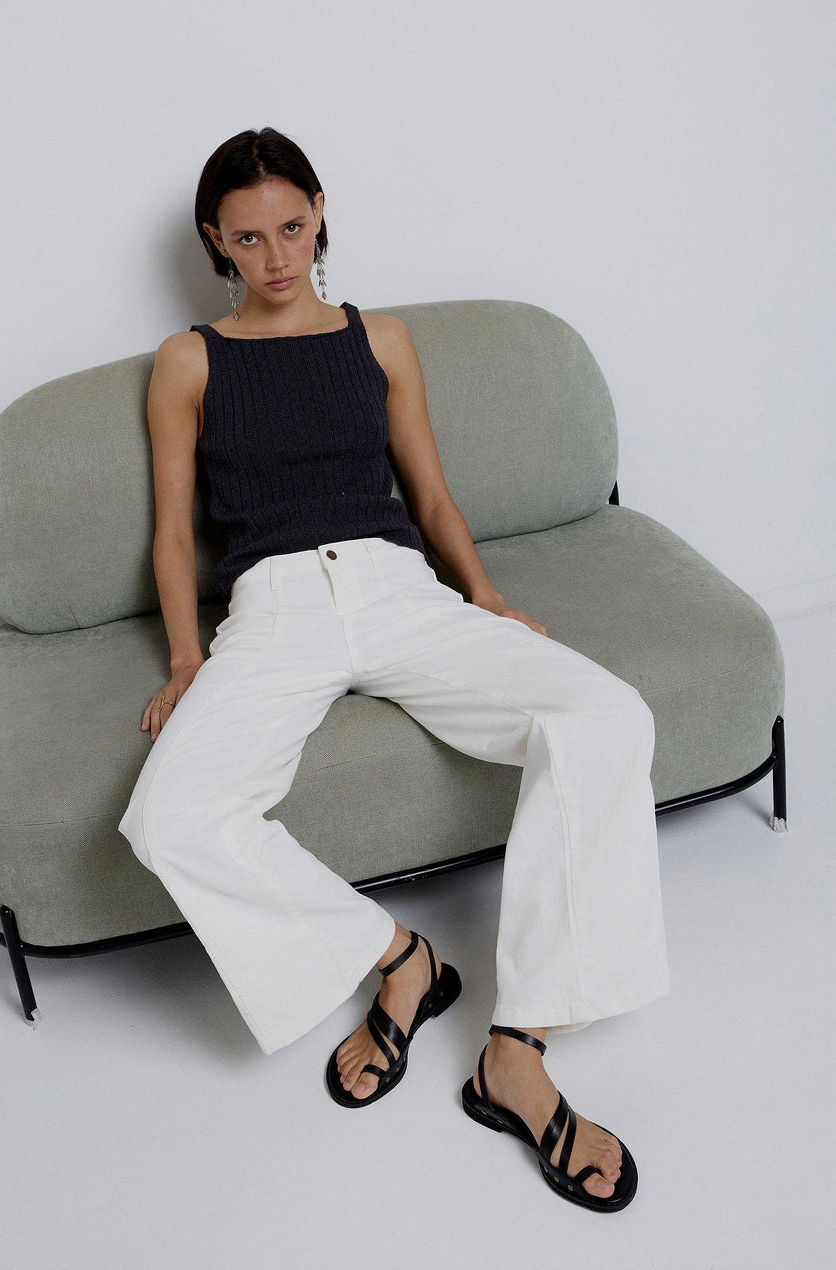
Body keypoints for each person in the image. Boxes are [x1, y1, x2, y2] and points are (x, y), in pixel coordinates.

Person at [118, 127, 670, 1212]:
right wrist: (184, 658)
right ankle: (397, 958)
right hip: (274, 609)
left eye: (292, 226)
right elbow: (173, 534)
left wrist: (487, 599)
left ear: (320, 211)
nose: (277, 255)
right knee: (169, 815)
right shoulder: (189, 360)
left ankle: (517, 1045)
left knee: (606, 715)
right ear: (214, 240)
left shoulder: (381, 340)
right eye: (248, 237)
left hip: (396, 589)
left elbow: (430, 493)